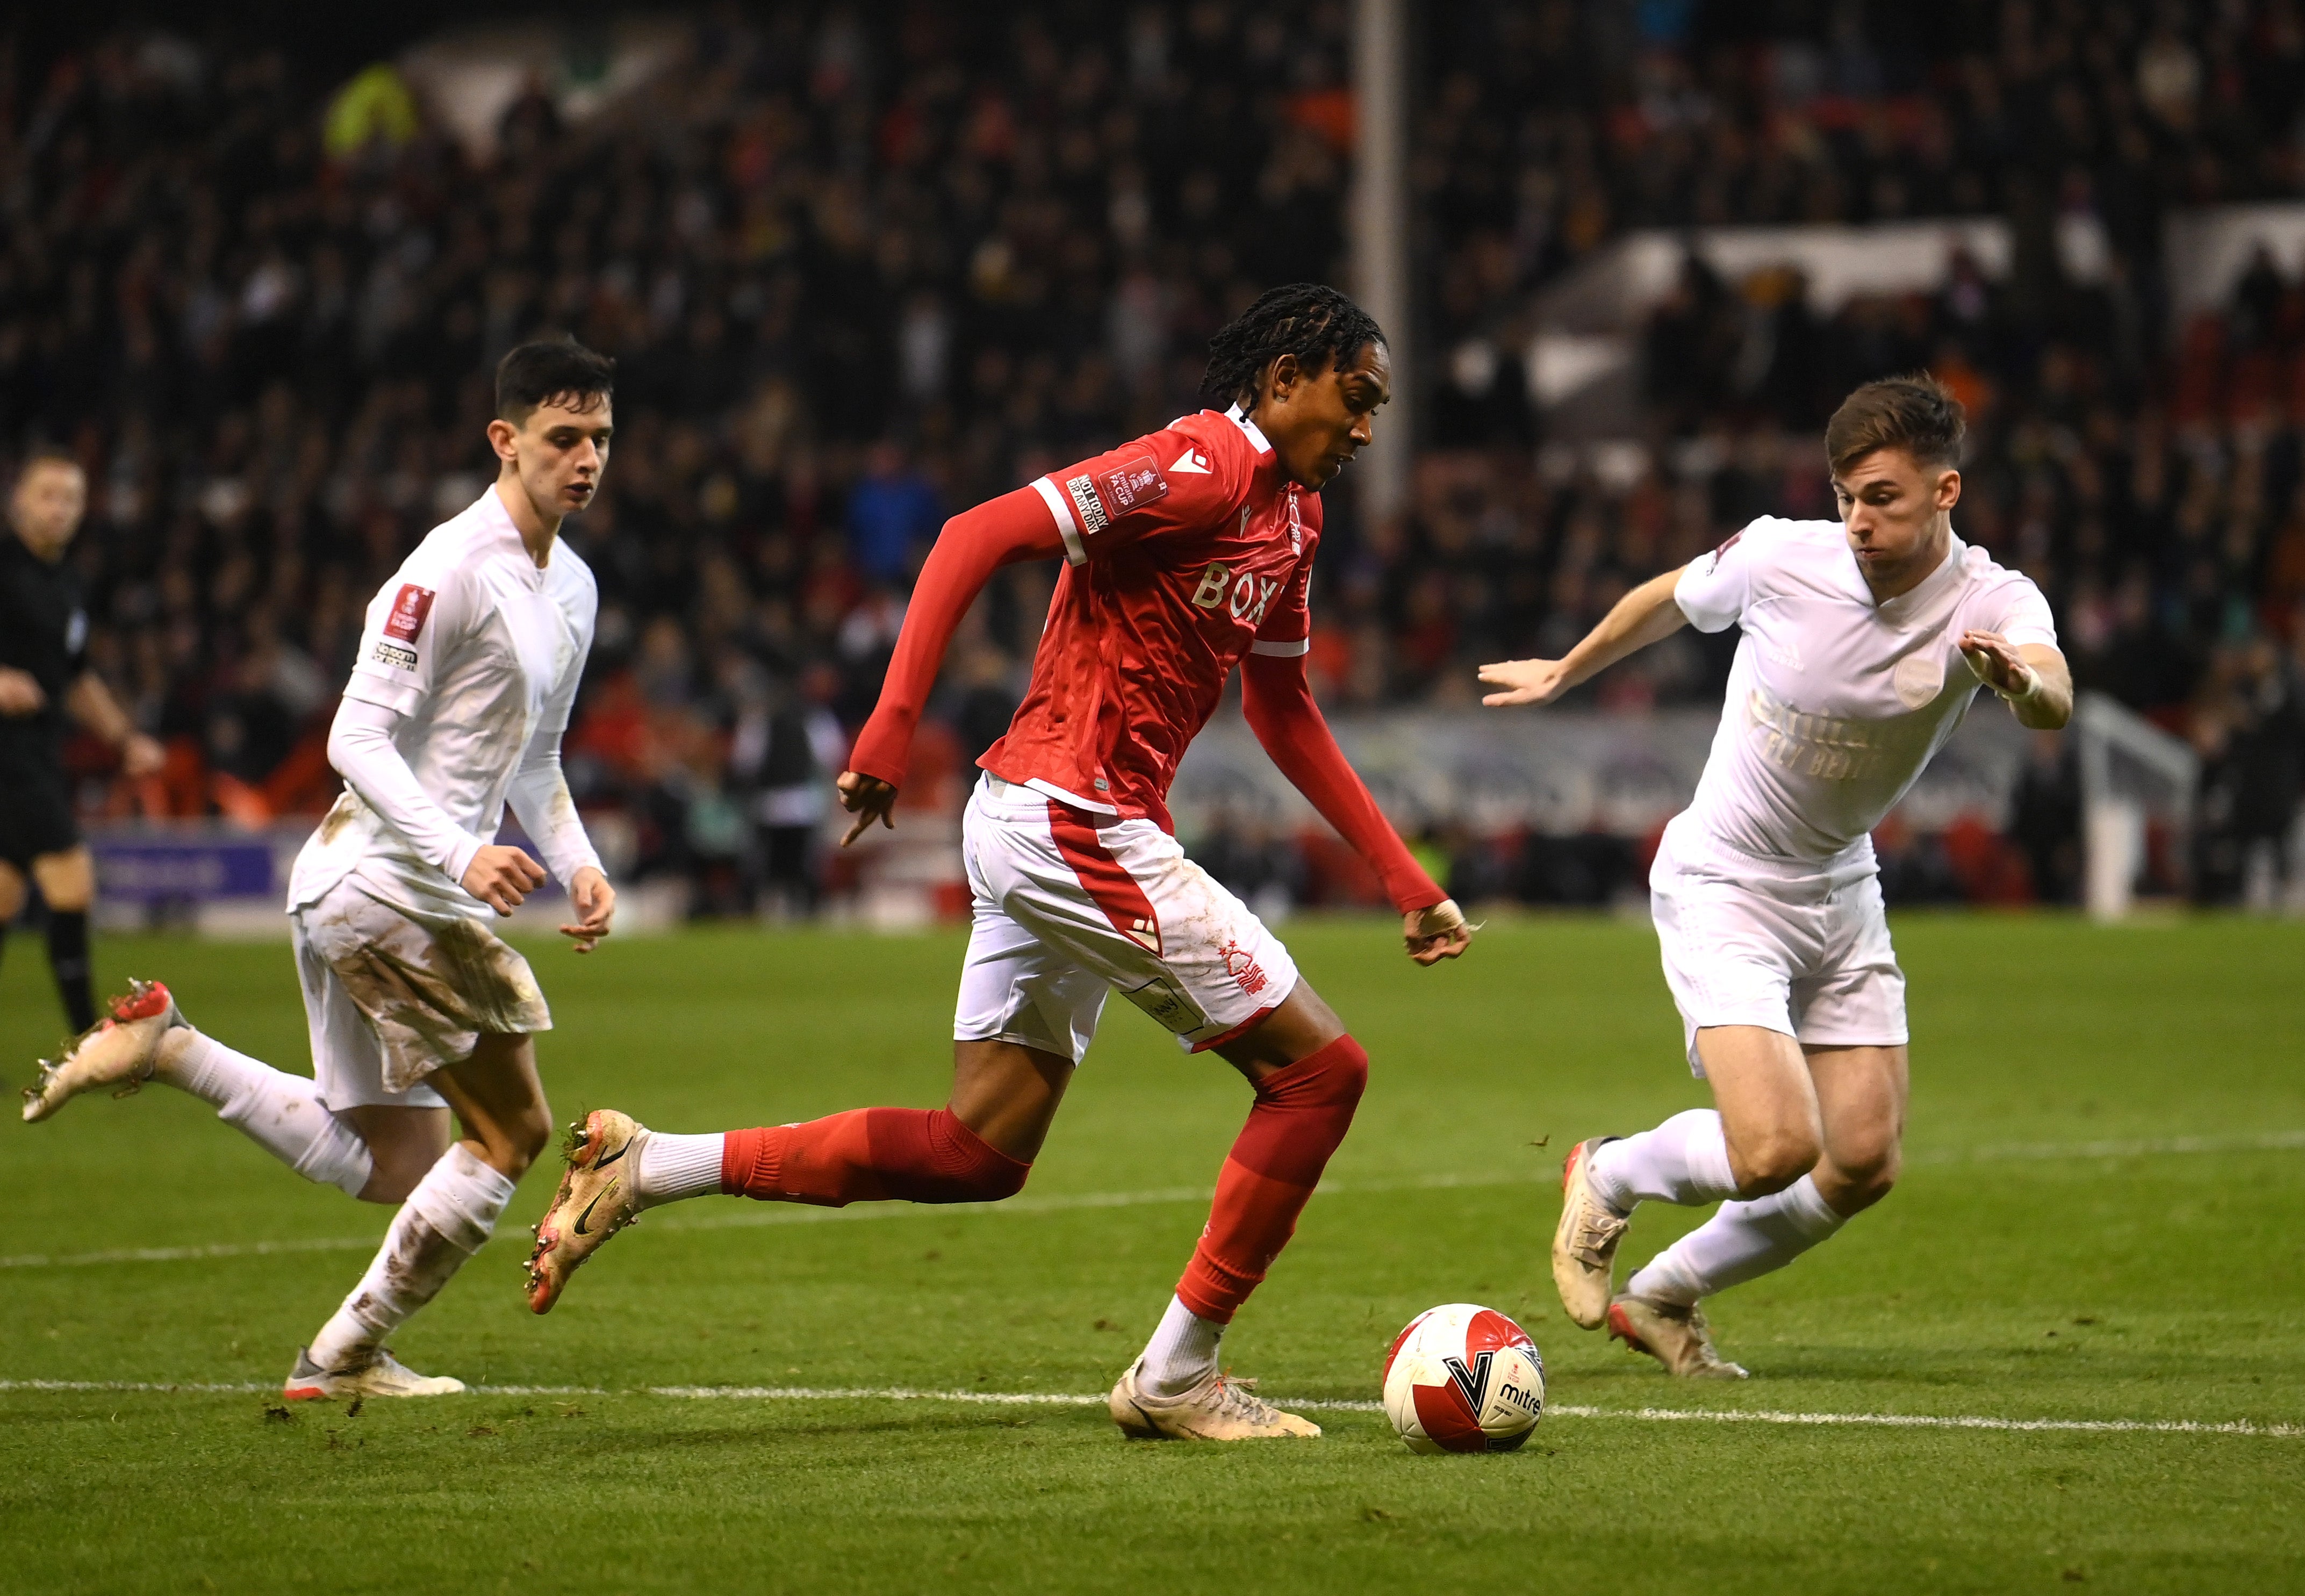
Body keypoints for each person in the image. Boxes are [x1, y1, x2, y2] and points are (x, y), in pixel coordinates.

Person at [525, 284, 1474, 1441]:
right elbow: (974, 534)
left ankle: (650, 1164)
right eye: (1356, 398)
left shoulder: (1294, 518)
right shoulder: (1200, 466)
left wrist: (1398, 870)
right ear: (1284, 381)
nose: (1367, 428)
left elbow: (1282, 710)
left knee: (978, 1149)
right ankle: (1177, 1376)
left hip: (1059, 822)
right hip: (1071, 814)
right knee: (1321, 1076)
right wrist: (890, 720)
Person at [19, 341, 620, 1400]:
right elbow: (354, 738)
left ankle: (173, 1047)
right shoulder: (445, 569)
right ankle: (342, 1356)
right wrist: (461, 851)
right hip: (385, 881)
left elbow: (535, 758)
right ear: (505, 440)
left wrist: (578, 862)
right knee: (516, 1129)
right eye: (563, 437)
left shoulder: (572, 587)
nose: (585, 459)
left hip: (378, 889)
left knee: (396, 1165)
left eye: (601, 439)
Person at [1482, 374, 2073, 1378]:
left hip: (1839, 889)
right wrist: (1564, 672)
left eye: (1880, 496)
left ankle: (1664, 1296)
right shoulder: (1778, 557)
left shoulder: (1992, 599)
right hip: (1724, 881)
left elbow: (2052, 691)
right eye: (1845, 495)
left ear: (1945, 492)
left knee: (1862, 1162)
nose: (1855, 520)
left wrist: (2016, 682)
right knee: (1772, 1151)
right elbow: (1665, 599)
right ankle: (1610, 1172)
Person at [0, 451, 166, 1094]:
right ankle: (94, 1054)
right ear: (18, 499)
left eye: (72, 497)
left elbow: (74, 677)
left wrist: (123, 738)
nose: (60, 508)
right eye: (48, 495)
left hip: (38, 751)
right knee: (72, 881)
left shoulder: (68, 582)